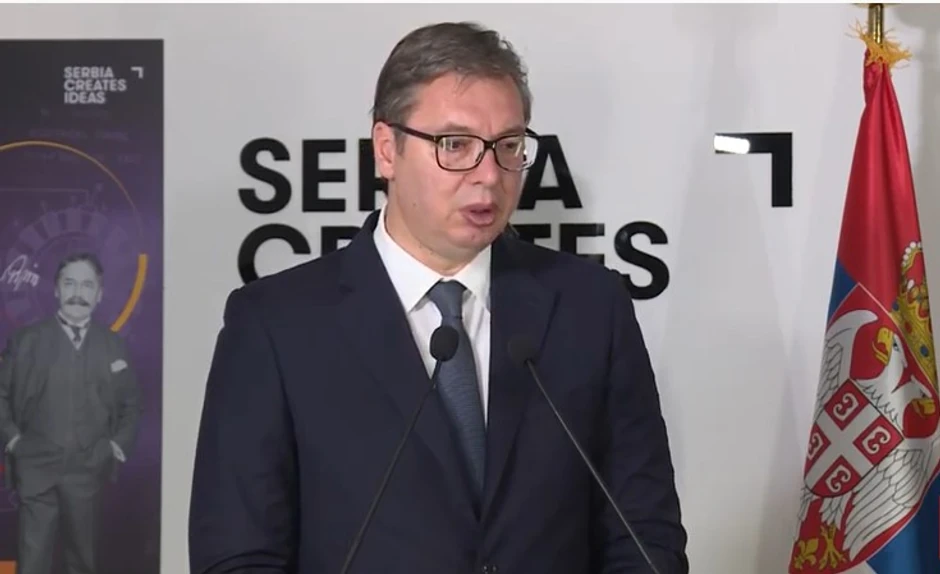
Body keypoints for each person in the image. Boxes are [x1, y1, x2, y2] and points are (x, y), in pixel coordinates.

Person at [189, 21, 689, 574]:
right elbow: (238, 555)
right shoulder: (276, 327)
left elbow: (644, 534)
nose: (489, 176)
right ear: (387, 150)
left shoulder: (591, 308)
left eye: (508, 146)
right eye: (455, 145)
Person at [0, 251, 142, 574]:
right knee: (32, 564)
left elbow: (132, 405)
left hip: (89, 472)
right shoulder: (25, 341)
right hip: (36, 470)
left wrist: (115, 447)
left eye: (88, 285)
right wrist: (14, 440)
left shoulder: (114, 345)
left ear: (100, 294)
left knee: (83, 562)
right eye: (70, 283)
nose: (78, 293)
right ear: (56, 289)